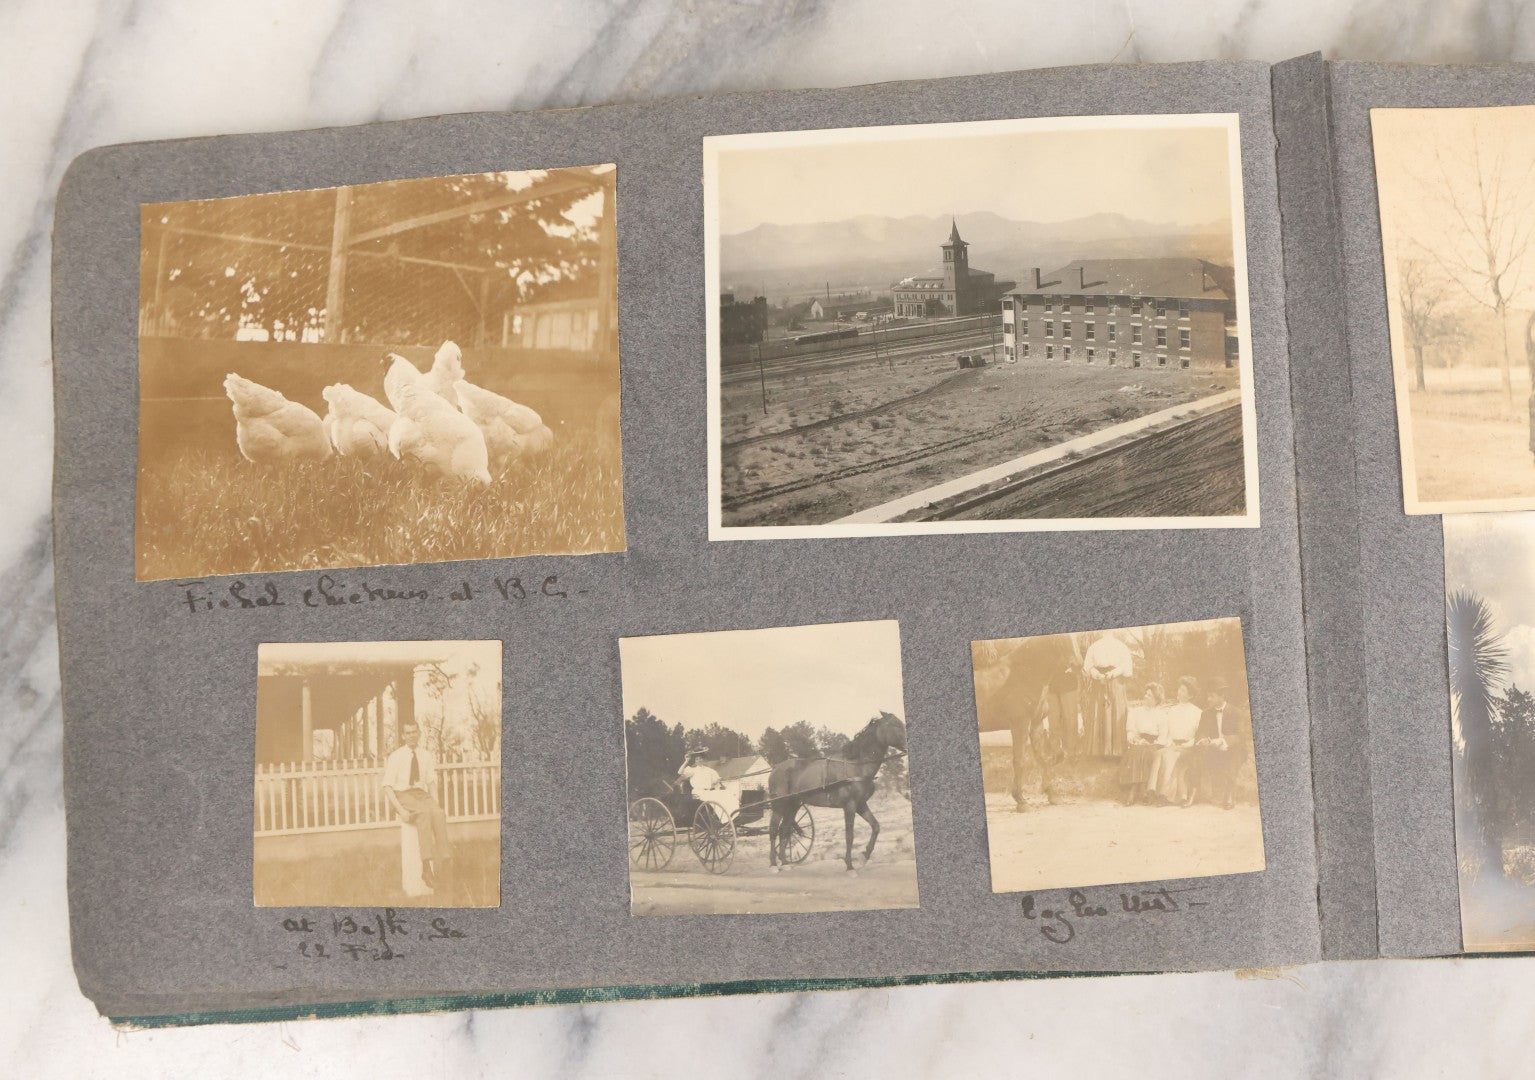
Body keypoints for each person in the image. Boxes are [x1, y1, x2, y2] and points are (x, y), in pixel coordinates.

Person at [380, 722, 452, 889]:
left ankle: (445, 859)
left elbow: (431, 782)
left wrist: (436, 804)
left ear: (419, 733)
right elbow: (387, 787)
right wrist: (400, 810)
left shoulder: (425, 755)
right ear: (403, 736)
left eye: (414, 732)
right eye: (408, 732)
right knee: (424, 814)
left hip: (421, 794)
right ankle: (426, 867)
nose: (412, 735)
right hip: (403, 794)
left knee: (438, 813)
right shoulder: (396, 756)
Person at [1182, 677, 1251, 809]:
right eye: (1208, 696)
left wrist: (1223, 741)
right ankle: (1192, 793)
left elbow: (1241, 736)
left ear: (1222, 696)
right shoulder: (1206, 713)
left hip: (1231, 748)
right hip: (1213, 750)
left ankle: (1229, 794)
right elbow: (1200, 733)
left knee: (1235, 753)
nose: (1208, 699)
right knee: (1196, 753)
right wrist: (1203, 741)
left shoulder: (1236, 712)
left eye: (1211, 696)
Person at [1146, 676, 1201, 804]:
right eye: (1179, 689)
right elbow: (1168, 731)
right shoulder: (1172, 710)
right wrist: (1170, 743)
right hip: (1172, 744)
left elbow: (1197, 736)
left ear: (1190, 695)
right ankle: (1151, 790)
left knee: (1170, 756)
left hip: (1188, 747)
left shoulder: (1197, 712)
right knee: (1159, 754)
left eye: (1183, 691)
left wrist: (1184, 746)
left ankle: (1164, 796)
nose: (1179, 692)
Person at [1081, 631, 1134, 757]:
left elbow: (1126, 668)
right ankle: (1099, 751)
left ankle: (1117, 751)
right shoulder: (1094, 646)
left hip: (1116, 682)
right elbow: (1087, 668)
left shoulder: (1121, 646)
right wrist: (1097, 675)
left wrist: (1112, 674)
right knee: (1099, 711)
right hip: (1099, 683)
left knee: (1116, 710)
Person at [1118, 683, 1168, 804]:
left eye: (1149, 695)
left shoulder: (1162, 714)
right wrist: (1136, 740)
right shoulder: (1135, 712)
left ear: (1156, 699)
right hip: (1139, 741)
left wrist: (1153, 743)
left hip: (1154, 744)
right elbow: (1131, 731)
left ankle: (1134, 791)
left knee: (1147, 752)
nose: (1145, 696)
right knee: (1136, 751)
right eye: (1146, 693)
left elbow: (1163, 736)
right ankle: (1139, 790)